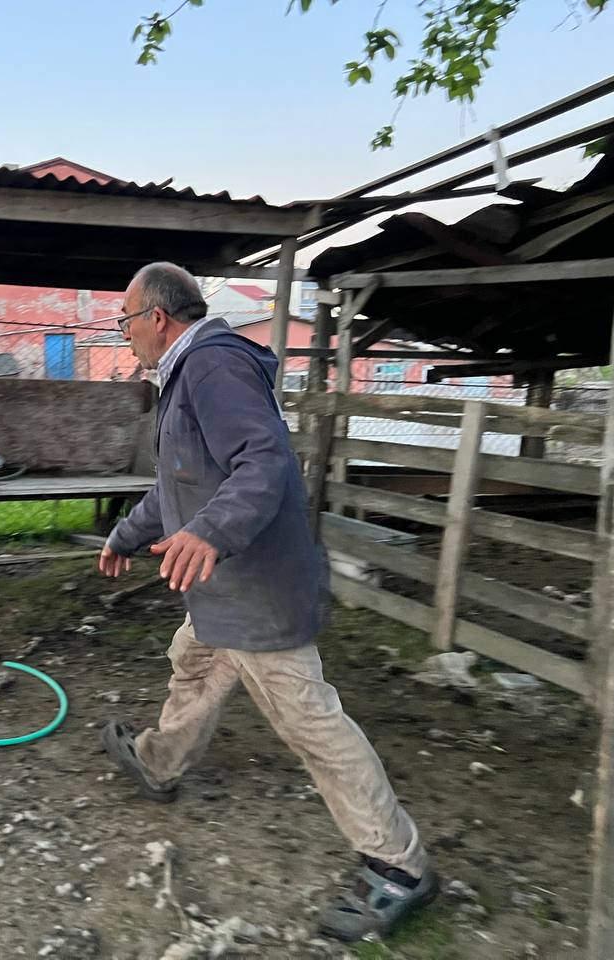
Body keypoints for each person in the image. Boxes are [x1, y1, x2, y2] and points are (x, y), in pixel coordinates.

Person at [97, 262, 438, 942]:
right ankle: (161, 760)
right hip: (225, 585)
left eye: (125, 320)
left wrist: (210, 532)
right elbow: (178, 487)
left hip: (254, 589)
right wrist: (128, 535)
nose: (125, 332)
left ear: (157, 318)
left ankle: (399, 866)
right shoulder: (187, 375)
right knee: (194, 660)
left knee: (310, 721)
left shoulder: (212, 370)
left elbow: (264, 462)